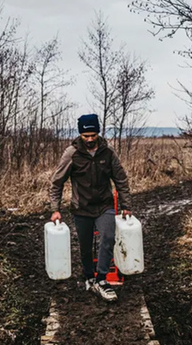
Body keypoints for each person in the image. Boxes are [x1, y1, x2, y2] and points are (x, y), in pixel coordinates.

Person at [49, 114, 133, 302]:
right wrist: (55, 209)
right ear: (81, 135)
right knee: (85, 247)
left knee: (108, 238)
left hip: (104, 205)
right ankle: (89, 277)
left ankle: (102, 280)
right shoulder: (72, 154)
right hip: (82, 208)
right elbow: (56, 183)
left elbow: (121, 179)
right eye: (85, 136)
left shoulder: (108, 152)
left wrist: (126, 205)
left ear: (98, 133)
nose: (89, 139)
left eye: (92, 135)